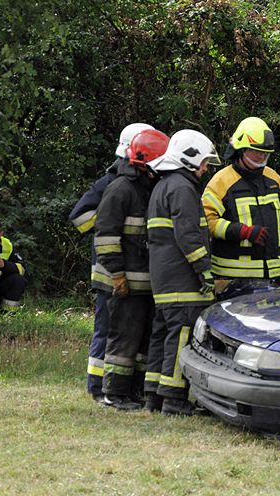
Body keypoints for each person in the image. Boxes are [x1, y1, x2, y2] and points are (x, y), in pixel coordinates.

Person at [69, 122, 154, 402]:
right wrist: (110, 214)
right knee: (107, 331)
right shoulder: (111, 183)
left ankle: (122, 387)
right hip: (109, 269)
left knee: (125, 331)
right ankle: (97, 387)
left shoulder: (139, 182)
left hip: (126, 267)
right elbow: (80, 218)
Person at [145, 129, 220, 415]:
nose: (204, 169)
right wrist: (205, 272)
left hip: (163, 280)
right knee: (180, 337)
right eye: (203, 163)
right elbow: (189, 236)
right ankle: (174, 400)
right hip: (181, 280)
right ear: (189, 158)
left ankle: (154, 395)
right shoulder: (183, 188)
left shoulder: (164, 186)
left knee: (162, 335)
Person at [94, 128, 170, 410]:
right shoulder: (121, 189)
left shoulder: (147, 187)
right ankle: (114, 394)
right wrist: (117, 275)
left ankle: (133, 392)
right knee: (122, 342)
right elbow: (105, 237)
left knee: (141, 342)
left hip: (144, 284)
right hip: (123, 282)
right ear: (147, 162)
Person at [202, 117, 280, 296]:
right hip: (233, 281)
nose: (262, 156)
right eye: (257, 152)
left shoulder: (275, 180)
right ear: (242, 149)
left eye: (265, 152)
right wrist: (242, 231)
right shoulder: (220, 182)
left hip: (276, 277)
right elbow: (207, 222)